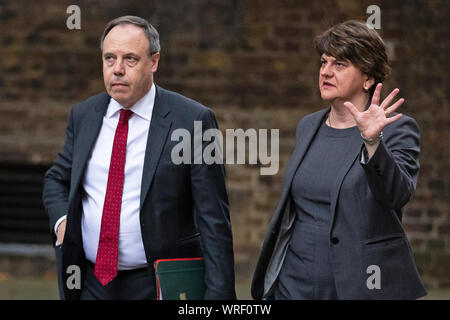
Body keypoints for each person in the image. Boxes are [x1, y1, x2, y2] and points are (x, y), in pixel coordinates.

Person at [43, 15, 236, 300]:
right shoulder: (84, 115)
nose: (117, 70)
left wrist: (219, 298)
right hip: (89, 282)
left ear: (154, 62)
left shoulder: (192, 121)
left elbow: (213, 220)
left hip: (158, 284)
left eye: (130, 59)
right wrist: (63, 222)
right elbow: (56, 179)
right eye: (110, 58)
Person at [251, 20, 426, 300]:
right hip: (294, 285)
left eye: (340, 64)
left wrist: (372, 142)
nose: (326, 72)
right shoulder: (309, 126)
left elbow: (397, 195)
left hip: (359, 286)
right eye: (323, 62)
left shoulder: (397, 128)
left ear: (368, 78)